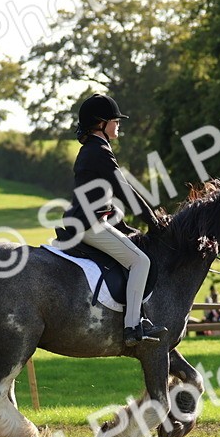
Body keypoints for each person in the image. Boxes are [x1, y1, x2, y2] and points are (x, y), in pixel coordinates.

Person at [63, 93, 168, 346]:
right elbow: (125, 190)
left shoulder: (93, 149)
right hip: (90, 225)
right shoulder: (99, 151)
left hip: (88, 221)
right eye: (115, 120)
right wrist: (152, 220)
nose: (118, 124)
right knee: (140, 262)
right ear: (101, 123)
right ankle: (133, 327)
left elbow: (106, 200)